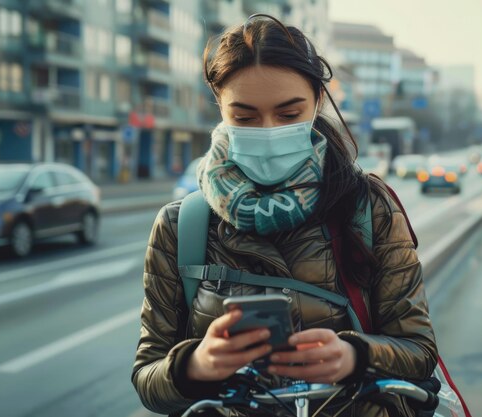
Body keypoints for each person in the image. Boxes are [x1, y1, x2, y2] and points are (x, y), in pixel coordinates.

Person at [132, 14, 438, 417]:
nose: (269, 130)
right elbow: (147, 376)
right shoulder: (181, 226)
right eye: (244, 117)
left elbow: (419, 350)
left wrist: (354, 355)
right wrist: (197, 364)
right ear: (221, 110)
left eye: (289, 114)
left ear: (316, 104)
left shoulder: (369, 208)